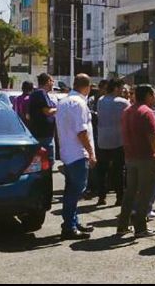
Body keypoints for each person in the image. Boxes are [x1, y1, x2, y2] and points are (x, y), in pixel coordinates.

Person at [117, 85, 155, 239]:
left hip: (130, 157)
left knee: (130, 192)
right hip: (145, 158)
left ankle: (122, 225)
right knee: (145, 193)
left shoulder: (127, 111)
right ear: (149, 95)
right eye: (154, 95)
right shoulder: (147, 112)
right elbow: (154, 138)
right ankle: (140, 228)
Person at [55, 74, 96, 240]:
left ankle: (72, 222)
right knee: (75, 192)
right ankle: (69, 227)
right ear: (88, 86)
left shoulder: (64, 101)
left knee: (71, 190)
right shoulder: (78, 103)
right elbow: (81, 131)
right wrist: (91, 152)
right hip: (78, 153)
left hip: (68, 152)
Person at [96, 78, 130, 207]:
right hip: (118, 140)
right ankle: (119, 197)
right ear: (116, 88)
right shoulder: (123, 103)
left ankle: (101, 196)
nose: (122, 91)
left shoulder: (100, 100)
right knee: (118, 170)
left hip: (102, 139)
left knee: (102, 170)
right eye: (121, 88)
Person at [28, 73, 58, 163]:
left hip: (40, 134)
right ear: (48, 81)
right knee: (47, 163)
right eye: (52, 81)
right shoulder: (41, 93)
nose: (53, 83)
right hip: (44, 136)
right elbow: (47, 112)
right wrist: (60, 108)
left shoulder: (37, 93)